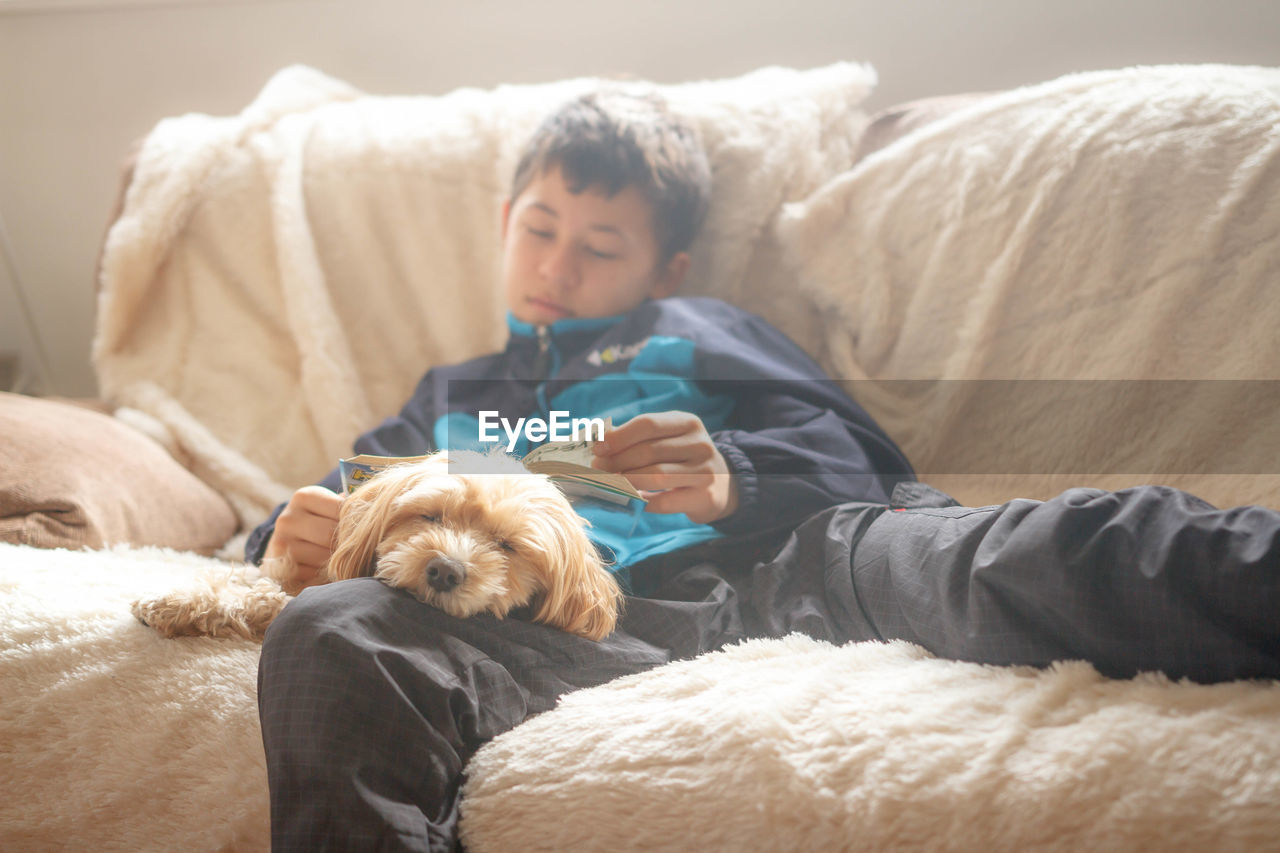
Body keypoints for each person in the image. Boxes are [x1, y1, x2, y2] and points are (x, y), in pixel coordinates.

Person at [251, 91, 1280, 852]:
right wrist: (282, 539)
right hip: (553, 632)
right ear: (505, 224)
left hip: (798, 562)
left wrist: (734, 475)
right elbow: (329, 502)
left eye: (600, 247)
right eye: (539, 230)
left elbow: (861, 457)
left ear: (665, 272)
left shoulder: (700, 332)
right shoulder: (455, 397)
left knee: (1040, 548)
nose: (558, 269)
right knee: (330, 631)